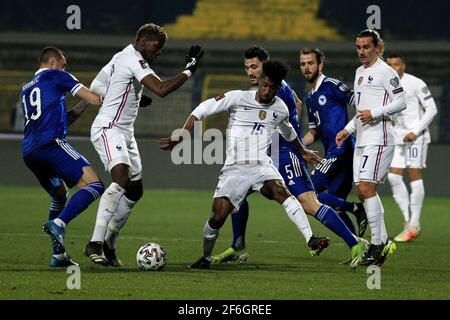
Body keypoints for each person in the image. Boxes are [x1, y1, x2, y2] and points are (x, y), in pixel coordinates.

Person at [161, 59, 366, 269]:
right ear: (259, 82)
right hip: (235, 169)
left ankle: (311, 239)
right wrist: (184, 132)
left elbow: (288, 131)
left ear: (278, 88)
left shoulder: (280, 107)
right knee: (217, 217)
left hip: (261, 166)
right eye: (264, 85)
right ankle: (206, 256)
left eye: (272, 87)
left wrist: (302, 151)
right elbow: (203, 108)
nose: (267, 91)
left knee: (282, 192)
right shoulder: (238, 98)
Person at [84, 23, 204, 266]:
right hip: (109, 128)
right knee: (120, 178)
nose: (159, 52)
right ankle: (95, 242)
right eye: (157, 46)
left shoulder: (119, 57)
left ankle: (109, 244)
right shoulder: (133, 59)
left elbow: (97, 87)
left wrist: (134, 97)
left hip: (125, 133)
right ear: (143, 41)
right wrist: (190, 69)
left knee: (135, 189)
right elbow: (161, 89)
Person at [21, 46, 104, 267]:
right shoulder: (58, 75)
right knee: (94, 185)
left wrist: (82, 104)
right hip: (52, 145)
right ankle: (60, 222)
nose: (65, 66)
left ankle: (58, 256)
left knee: (59, 194)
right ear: (52, 62)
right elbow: (96, 99)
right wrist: (106, 91)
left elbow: (61, 119)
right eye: (63, 63)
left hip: (30, 152)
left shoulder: (27, 88)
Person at [336, 29, 407, 266]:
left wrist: (375, 113)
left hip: (380, 138)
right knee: (362, 191)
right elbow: (361, 111)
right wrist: (348, 129)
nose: (362, 52)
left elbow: (401, 101)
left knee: (366, 188)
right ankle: (380, 243)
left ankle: (379, 243)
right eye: (358, 47)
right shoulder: (358, 72)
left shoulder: (386, 72)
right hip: (363, 139)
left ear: (377, 47)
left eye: (366, 47)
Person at [300, 48, 367, 237]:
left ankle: (356, 208)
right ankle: (359, 246)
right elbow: (314, 132)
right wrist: (296, 146)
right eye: (303, 64)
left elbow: (359, 101)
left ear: (320, 65)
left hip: (342, 150)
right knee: (335, 204)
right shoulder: (310, 97)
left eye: (310, 63)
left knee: (306, 191)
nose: (306, 68)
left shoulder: (332, 85)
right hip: (333, 152)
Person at [386, 53, 438, 242]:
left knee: (413, 175)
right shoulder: (386, 86)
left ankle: (414, 223)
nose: (393, 67)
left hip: (416, 137)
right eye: (389, 64)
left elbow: (432, 109)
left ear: (403, 66)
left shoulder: (416, 83)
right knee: (393, 176)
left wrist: (415, 131)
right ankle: (409, 221)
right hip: (399, 138)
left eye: (396, 64)